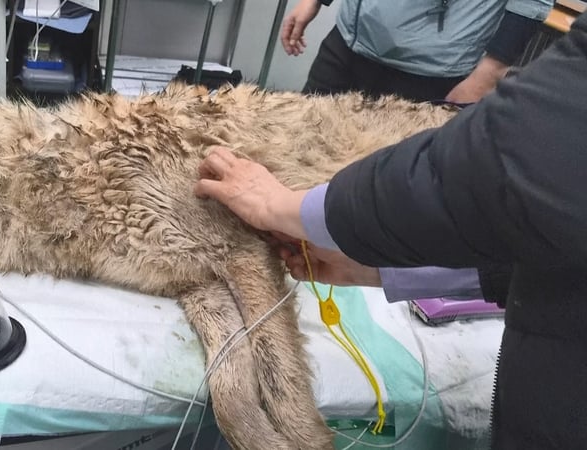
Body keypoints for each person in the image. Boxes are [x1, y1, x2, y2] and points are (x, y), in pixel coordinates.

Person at [195, 9, 587, 449]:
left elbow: (469, 170)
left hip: (433, 67)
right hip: (356, 41)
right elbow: (559, 244)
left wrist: (287, 206)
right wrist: (383, 271)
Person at [281, 0, 553, 103]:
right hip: (347, 42)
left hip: (428, 74)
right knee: (300, 151)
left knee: (378, 194)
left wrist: (487, 76)